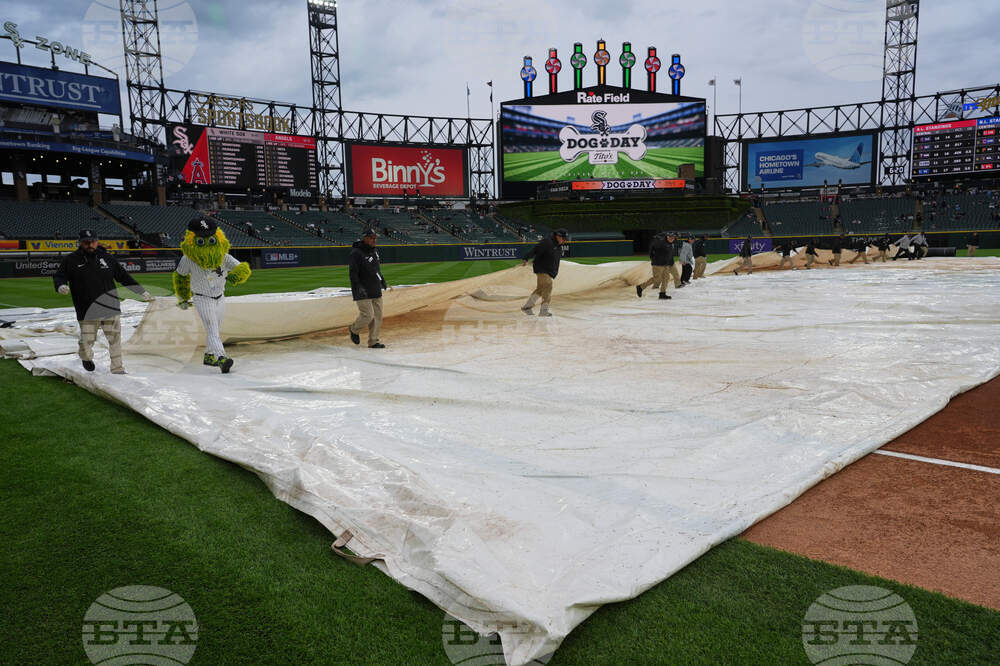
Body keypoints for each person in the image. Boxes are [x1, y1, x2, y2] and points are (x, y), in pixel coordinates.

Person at [53, 229, 151, 374]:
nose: (90, 245)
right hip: (87, 309)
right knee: (87, 342)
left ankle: (117, 368)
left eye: (92, 241)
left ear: (97, 241)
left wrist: (141, 291)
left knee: (115, 340)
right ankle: (86, 357)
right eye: (86, 242)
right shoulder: (71, 260)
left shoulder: (107, 257)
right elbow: (59, 276)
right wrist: (60, 285)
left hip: (110, 307)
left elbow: (123, 276)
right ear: (80, 243)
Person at [173, 218, 253, 372]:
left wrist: (235, 276)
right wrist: (183, 296)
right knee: (212, 329)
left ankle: (209, 356)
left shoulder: (223, 256)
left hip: (220, 297)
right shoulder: (188, 259)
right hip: (202, 298)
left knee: (215, 329)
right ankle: (222, 358)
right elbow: (180, 276)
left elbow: (243, 268)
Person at [348, 228, 389, 348]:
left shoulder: (374, 251)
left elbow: (376, 269)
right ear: (365, 238)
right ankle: (354, 329)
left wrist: (382, 280)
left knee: (377, 316)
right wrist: (358, 287)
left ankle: (373, 341)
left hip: (375, 286)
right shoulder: (356, 253)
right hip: (362, 289)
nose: (374, 240)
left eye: (375, 238)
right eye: (372, 238)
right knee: (368, 315)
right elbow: (353, 273)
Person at [521, 228, 569, 317]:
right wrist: (526, 258)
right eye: (563, 238)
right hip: (541, 268)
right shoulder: (548, 242)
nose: (564, 240)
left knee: (540, 289)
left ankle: (527, 306)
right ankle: (544, 310)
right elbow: (535, 249)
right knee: (548, 284)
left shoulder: (558, 245)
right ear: (558, 236)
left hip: (548, 270)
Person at [636, 232, 674, 300]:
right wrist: (653, 259)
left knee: (666, 278)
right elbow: (652, 250)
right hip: (658, 264)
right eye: (670, 237)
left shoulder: (670, 244)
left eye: (673, 237)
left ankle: (662, 293)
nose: (672, 239)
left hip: (666, 264)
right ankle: (640, 287)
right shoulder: (660, 243)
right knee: (657, 279)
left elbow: (669, 255)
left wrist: (670, 263)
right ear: (667, 237)